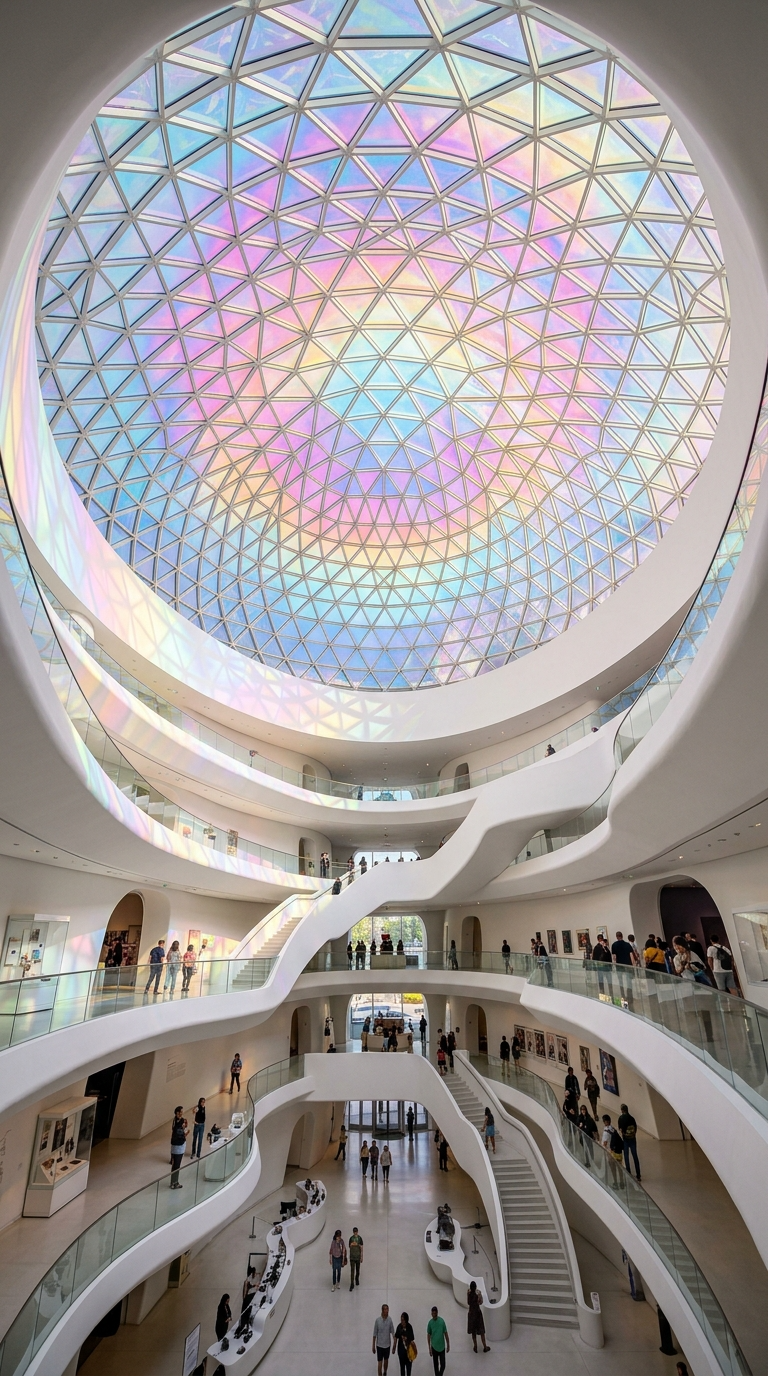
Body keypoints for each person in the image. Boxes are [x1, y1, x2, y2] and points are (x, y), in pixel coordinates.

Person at [618, 1103, 641, 1180]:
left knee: (626, 1156)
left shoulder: (621, 1118)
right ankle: (638, 1175)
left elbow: (620, 1129)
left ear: (622, 1110)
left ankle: (629, 1173)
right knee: (635, 1156)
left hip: (626, 1139)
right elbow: (635, 1128)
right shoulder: (632, 1118)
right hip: (633, 1139)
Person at [466, 1280, 490, 1353]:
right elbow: (480, 1302)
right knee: (481, 1331)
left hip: (471, 1313)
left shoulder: (468, 1293)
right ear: (475, 1287)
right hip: (477, 1313)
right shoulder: (478, 1293)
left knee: (473, 1331)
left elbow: (468, 1302)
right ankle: (485, 1346)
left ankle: (475, 1346)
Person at [373, 1305, 395, 1376]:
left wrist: (394, 1344)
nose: (387, 1311)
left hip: (387, 1345)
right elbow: (374, 1334)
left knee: (386, 1360)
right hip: (379, 1345)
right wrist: (373, 1345)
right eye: (385, 1309)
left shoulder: (390, 1320)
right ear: (382, 1310)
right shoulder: (377, 1321)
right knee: (379, 1362)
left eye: (388, 1309)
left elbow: (393, 1332)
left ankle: (385, 1371)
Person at [427, 1306, 450, 1375]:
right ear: (431, 1314)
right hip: (434, 1347)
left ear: (437, 1313)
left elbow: (445, 1333)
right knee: (435, 1365)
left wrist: (448, 1344)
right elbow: (428, 1335)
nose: (434, 1315)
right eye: (433, 1313)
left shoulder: (441, 1321)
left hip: (442, 1346)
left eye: (435, 1313)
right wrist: (429, 1348)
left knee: (443, 1365)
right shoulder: (430, 1323)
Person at [169, 1106, 187, 1187]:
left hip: (177, 1146)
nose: (181, 1114)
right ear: (177, 1113)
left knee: (175, 1165)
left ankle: (174, 1181)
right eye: (180, 1112)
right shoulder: (178, 1122)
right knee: (176, 1165)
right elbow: (179, 1133)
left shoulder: (176, 1121)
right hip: (178, 1146)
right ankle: (174, 1182)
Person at [394, 1311, 416, 1376]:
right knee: (402, 1369)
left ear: (406, 1320)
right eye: (401, 1320)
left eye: (403, 1320)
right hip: (401, 1351)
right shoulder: (399, 1327)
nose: (402, 1322)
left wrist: (407, 1338)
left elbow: (412, 1338)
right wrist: (394, 1347)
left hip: (409, 1351)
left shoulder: (409, 1327)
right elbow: (396, 1336)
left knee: (408, 1370)